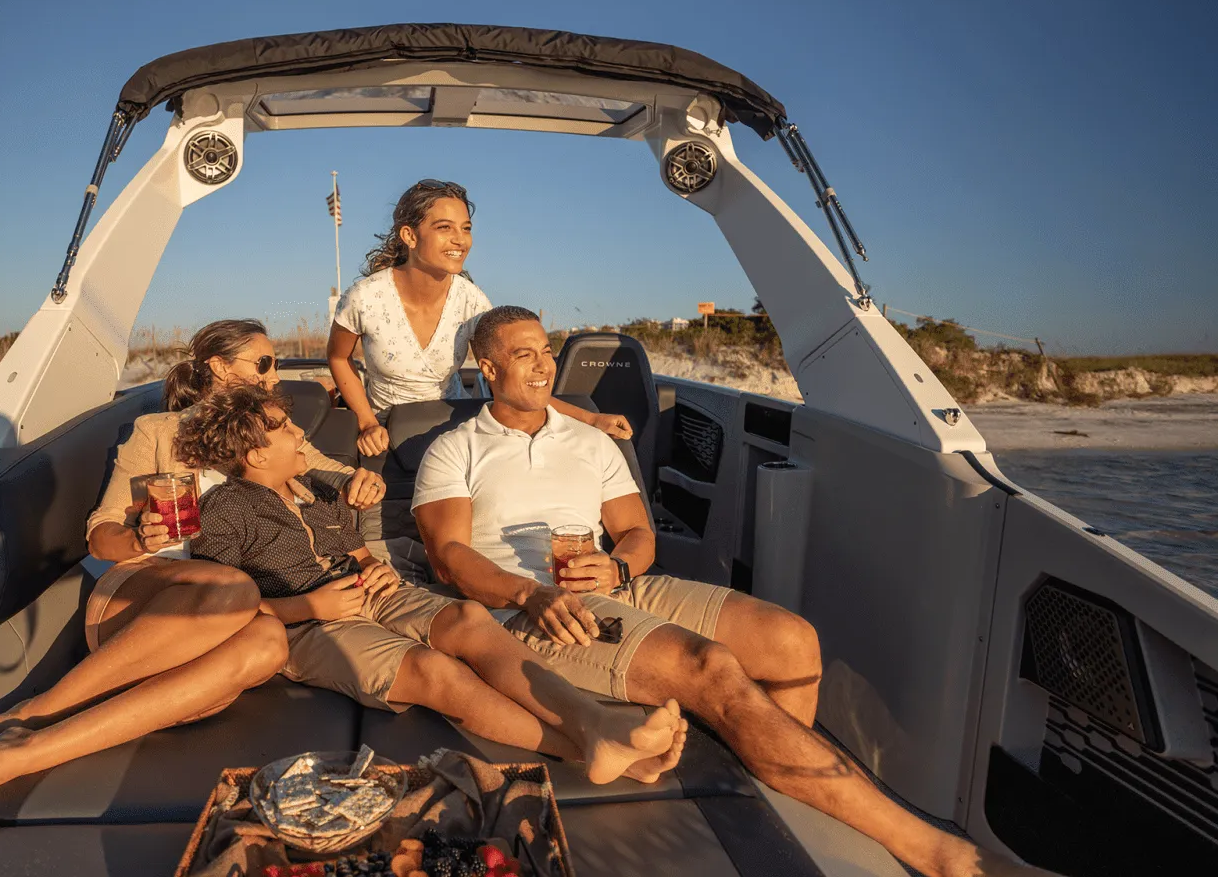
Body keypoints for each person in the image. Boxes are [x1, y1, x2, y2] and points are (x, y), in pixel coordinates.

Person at [410, 306, 1061, 877]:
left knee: (791, 641)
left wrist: (620, 569)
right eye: (523, 354)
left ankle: (775, 788)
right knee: (711, 667)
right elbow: (450, 558)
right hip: (532, 607)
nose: (543, 365)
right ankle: (941, 855)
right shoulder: (455, 450)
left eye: (547, 350)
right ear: (487, 368)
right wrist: (529, 595)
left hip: (613, 583)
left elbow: (637, 534)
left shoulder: (589, 441)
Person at [0, 320, 384, 824]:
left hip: (224, 628)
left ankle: (21, 753)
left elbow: (330, 471)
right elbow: (100, 536)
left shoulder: (274, 431)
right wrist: (139, 538)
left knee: (269, 643)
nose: (274, 377)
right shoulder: (160, 433)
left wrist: (362, 484)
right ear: (218, 367)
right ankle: (33, 714)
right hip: (146, 595)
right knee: (234, 587)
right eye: (264, 364)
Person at [182, 384, 689, 786]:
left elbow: (357, 552)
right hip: (308, 626)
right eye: (285, 428)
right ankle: (588, 748)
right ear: (255, 455)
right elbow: (216, 609)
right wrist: (310, 606)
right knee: (433, 670)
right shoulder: (224, 509)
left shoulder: (316, 489)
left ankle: (593, 721)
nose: (300, 433)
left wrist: (375, 567)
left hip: (375, 594)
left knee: (469, 618)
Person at [327, 179, 632, 457]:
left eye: (466, 228)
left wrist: (591, 419)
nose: (460, 240)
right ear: (409, 235)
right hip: (383, 429)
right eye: (445, 228)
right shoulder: (364, 298)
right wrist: (367, 422)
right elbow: (339, 358)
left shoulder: (471, 301)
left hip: (453, 423)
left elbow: (512, 374)